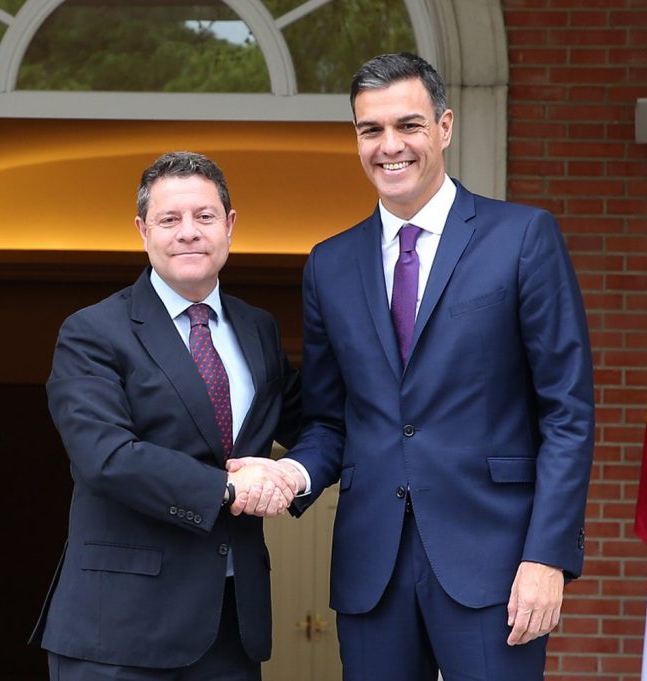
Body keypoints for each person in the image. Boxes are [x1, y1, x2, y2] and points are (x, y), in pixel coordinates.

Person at [231, 53, 594, 679]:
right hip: (372, 567)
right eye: (371, 130)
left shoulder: (522, 237)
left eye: (409, 125)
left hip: (497, 563)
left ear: (444, 127)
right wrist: (292, 471)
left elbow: (567, 413)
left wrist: (547, 556)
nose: (389, 146)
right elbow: (329, 420)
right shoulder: (329, 264)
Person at [30, 151, 301, 681]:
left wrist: (296, 473)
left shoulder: (260, 329)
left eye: (204, 216)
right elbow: (106, 457)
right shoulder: (93, 332)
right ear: (143, 231)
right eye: (170, 219)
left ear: (230, 225)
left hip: (230, 625)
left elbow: (310, 421)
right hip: (119, 630)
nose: (188, 232)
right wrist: (228, 489)